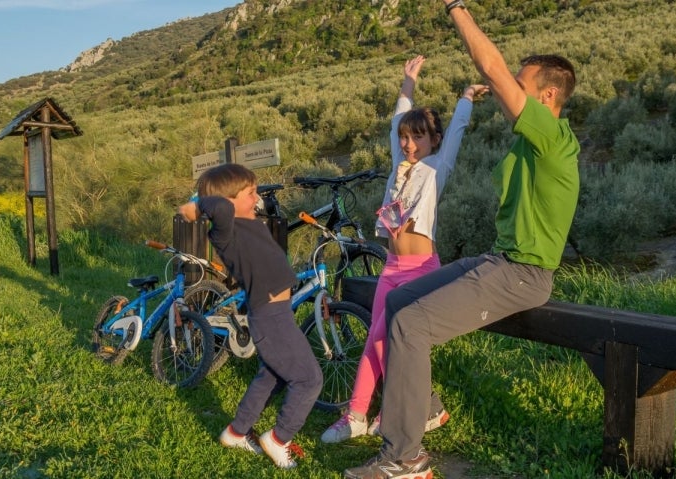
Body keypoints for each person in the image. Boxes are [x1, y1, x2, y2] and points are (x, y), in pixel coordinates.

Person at [344, 1, 580, 478]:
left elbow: (489, 66)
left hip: (523, 274)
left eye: (520, 82)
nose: (506, 86)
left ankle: (404, 459)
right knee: (399, 303)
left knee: (411, 324)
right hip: (499, 261)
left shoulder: (552, 136)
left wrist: (455, 7)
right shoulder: (532, 140)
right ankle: (424, 407)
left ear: (549, 95)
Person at [321, 55, 488, 444]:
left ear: (434, 141)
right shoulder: (400, 166)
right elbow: (398, 118)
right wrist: (408, 82)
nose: (409, 144)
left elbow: (458, 130)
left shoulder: (436, 169)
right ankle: (362, 415)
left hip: (421, 268)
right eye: (406, 138)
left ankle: (384, 412)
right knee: (375, 341)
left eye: (418, 138)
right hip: (392, 266)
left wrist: (465, 98)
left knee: (385, 338)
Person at [178, 163, 323, 469]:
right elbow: (217, 206)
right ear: (228, 203)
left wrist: (242, 199)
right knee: (309, 379)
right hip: (270, 316)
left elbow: (227, 206)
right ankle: (279, 438)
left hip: (276, 312)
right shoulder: (225, 231)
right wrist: (196, 206)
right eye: (250, 193)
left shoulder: (247, 222)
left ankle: (235, 432)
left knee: (271, 377)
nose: (256, 198)